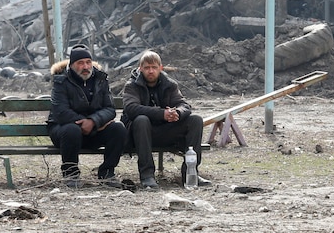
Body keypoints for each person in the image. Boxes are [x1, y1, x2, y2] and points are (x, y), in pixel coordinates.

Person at [121, 50, 211, 189]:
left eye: (154, 67)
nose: (151, 71)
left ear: (160, 68)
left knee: (195, 120)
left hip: (165, 131)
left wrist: (177, 113)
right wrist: (161, 113)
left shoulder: (169, 84)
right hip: (140, 134)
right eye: (147, 68)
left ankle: (189, 173)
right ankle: (147, 176)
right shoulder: (131, 85)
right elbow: (131, 108)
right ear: (140, 69)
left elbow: (184, 105)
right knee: (141, 120)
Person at [47, 44, 126, 188]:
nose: (86, 66)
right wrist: (85, 123)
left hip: (95, 130)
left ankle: (107, 173)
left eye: (88, 62)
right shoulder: (61, 81)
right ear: (72, 65)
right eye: (81, 63)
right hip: (64, 132)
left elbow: (110, 109)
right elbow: (61, 112)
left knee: (118, 128)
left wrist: (93, 121)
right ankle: (71, 174)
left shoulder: (101, 79)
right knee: (72, 130)